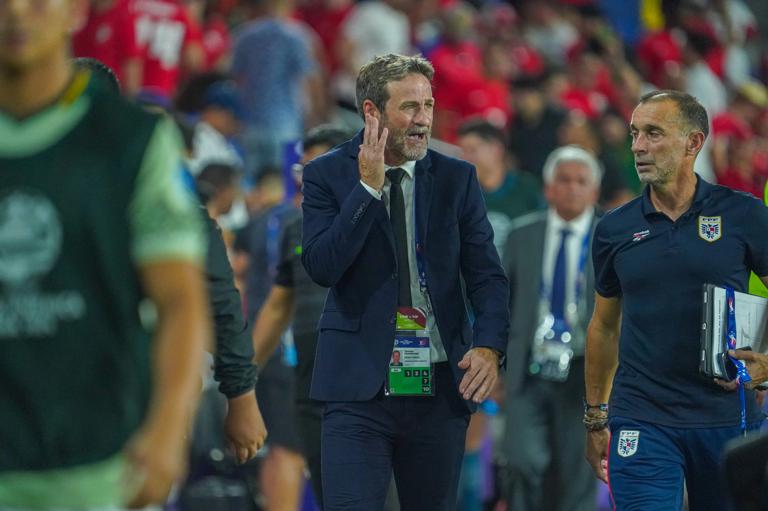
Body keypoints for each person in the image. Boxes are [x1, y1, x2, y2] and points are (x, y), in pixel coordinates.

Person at [0, 0, 211, 508]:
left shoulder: (131, 142)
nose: (16, 11)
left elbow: (181, 301)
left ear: (75, 10)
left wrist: (166, 428)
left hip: (98, 465)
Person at [301, 53, 510, 510]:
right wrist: (367, 190)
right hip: (357, 389)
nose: (424, 120)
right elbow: (322, 267)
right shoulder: (327, 175)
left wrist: (490, 346)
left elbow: (488, 276)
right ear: (372, 112)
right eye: (410, 108)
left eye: (429, 106)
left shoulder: (457, 178)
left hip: (437, 387)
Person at [584, 90, 768, 511]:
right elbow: (605, 326)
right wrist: (595, 417)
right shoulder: (614, 229)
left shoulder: (744, 215)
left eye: (653, 133)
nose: (637, 146)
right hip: (641, 417)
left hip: (727, 416)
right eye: (634, 134)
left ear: (693, 143)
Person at [250, 124, 351, 509]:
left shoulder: (382, 216)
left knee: (375, 482)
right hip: (309, 373)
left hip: (365, 373)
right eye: (302, 170)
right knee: (325, 482)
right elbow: (278, 304)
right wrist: (245, 376)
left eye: (316, 168)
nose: (305, 180)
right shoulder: (295, 225)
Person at [500, 145, 601, 510]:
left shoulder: (611, 238)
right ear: (548, 188)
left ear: (594, 191)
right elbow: (499, 303)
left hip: (585, 371)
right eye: (564, 180)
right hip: (529, 366)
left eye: (581, 181)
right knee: (523, 460)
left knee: (578, 470)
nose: (572, 188)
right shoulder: (520, 234)